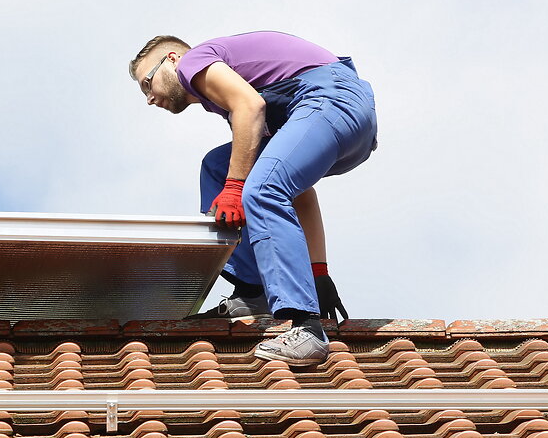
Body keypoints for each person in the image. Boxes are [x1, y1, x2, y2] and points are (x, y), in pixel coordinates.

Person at [130, 31, 376, 367]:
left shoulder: (194, 63)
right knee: (220, 166)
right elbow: (300, 194)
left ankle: (306, 328)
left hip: (328, 99)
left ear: (172, 58)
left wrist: (236, 189)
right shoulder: (235, 94)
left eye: (147, 83)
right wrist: (318, 273)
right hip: (343, 118)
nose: (149, 98)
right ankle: (254, 291)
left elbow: (250, 105)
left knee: (255, 187)